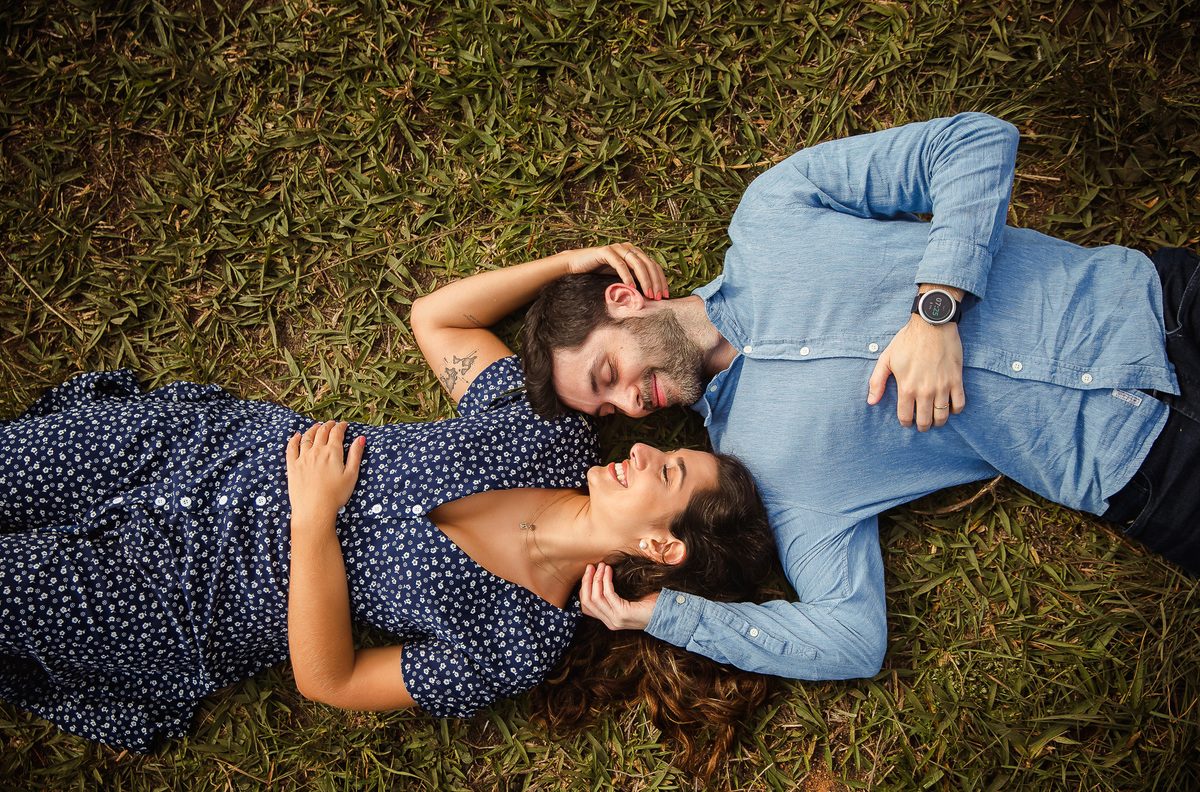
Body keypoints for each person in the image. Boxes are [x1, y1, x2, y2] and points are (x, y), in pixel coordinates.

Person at [512, 112, 1200, 681]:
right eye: (608, 410)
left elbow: (975, 141)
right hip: (1143, 472)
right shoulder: (757, 475)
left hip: (1153, 306)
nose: (633, 405)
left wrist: (937, 310)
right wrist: (659, 613)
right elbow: (850, 639)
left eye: (609, 375)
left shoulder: (773, 212)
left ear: (625, 300)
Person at [0, 261, 776, 754]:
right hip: (191, 448)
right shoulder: (546, 436)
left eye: (668, 468)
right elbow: (437, 318)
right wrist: (572, 264)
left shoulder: (519, 640)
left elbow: (332, 682)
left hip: (188, 595)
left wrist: (313, 526)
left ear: (661, 545)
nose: (641, 447)